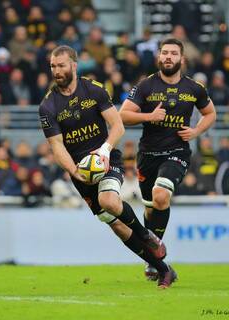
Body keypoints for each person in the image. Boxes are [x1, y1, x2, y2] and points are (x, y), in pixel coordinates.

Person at [39, 45, 177, 289]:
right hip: (80, 172)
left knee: (109, 201)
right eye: (52, 66)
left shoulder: (93, 89)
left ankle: (148, 236)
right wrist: (75, 171)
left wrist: (103, 151)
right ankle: (163, 269)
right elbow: (57, 147)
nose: (56, 70)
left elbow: (118, 126)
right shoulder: (48, 106)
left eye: (61, 65)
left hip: (107, 159)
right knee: (118, 227)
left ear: (73, 65)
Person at [119, 38, 216, 280]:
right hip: (147, 156)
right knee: (151, 210)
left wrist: (196, 132)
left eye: (173, 53)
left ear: (182, 59)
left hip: (177, 153)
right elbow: (122, 116)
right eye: (165, 53)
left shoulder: (194, 88)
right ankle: (153, 260)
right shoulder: (145, 86)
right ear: (159, 57)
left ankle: (154, 256)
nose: (168, 57)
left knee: (161, 195)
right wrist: (149, 116)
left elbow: (210, 113)